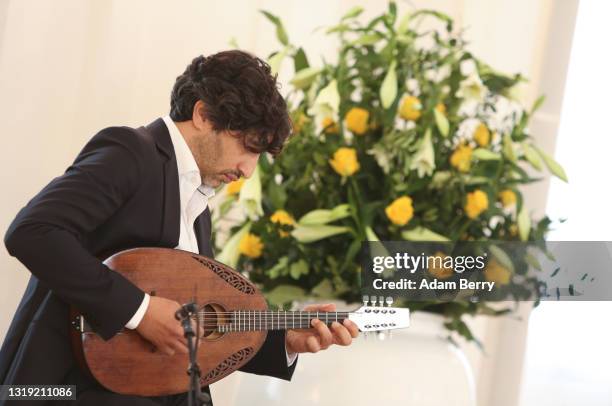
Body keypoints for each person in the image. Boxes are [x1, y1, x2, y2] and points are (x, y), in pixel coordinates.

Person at [0, 50, 359, 406]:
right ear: (203, 114)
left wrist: (285, 338)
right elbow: (33, 230)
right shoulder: (130, 152)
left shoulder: (196, 203)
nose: (249, 171)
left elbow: (199, 325)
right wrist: (139, 310)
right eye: (248, 147)